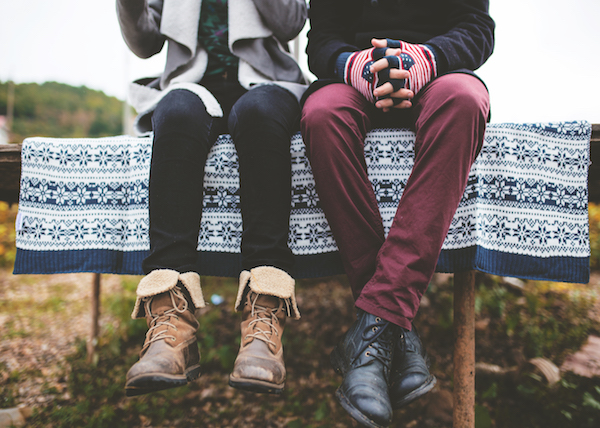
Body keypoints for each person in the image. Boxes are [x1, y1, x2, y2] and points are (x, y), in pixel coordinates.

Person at [300, 0, 495, 426]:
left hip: (438, 76)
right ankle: (397, 334)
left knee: (465, 100)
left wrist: (425, 60)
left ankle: (372, 335)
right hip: (353, 81)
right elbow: (319, 43)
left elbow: (477, 26)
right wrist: (354, 66)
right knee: (321, 114)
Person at [116, 0, 307, 397]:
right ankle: (172, 323)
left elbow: (290, 23)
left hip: (266, 83)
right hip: (189, 82)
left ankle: (265, 313)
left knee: (259, 114)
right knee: (176, 113)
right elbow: (145, 43)